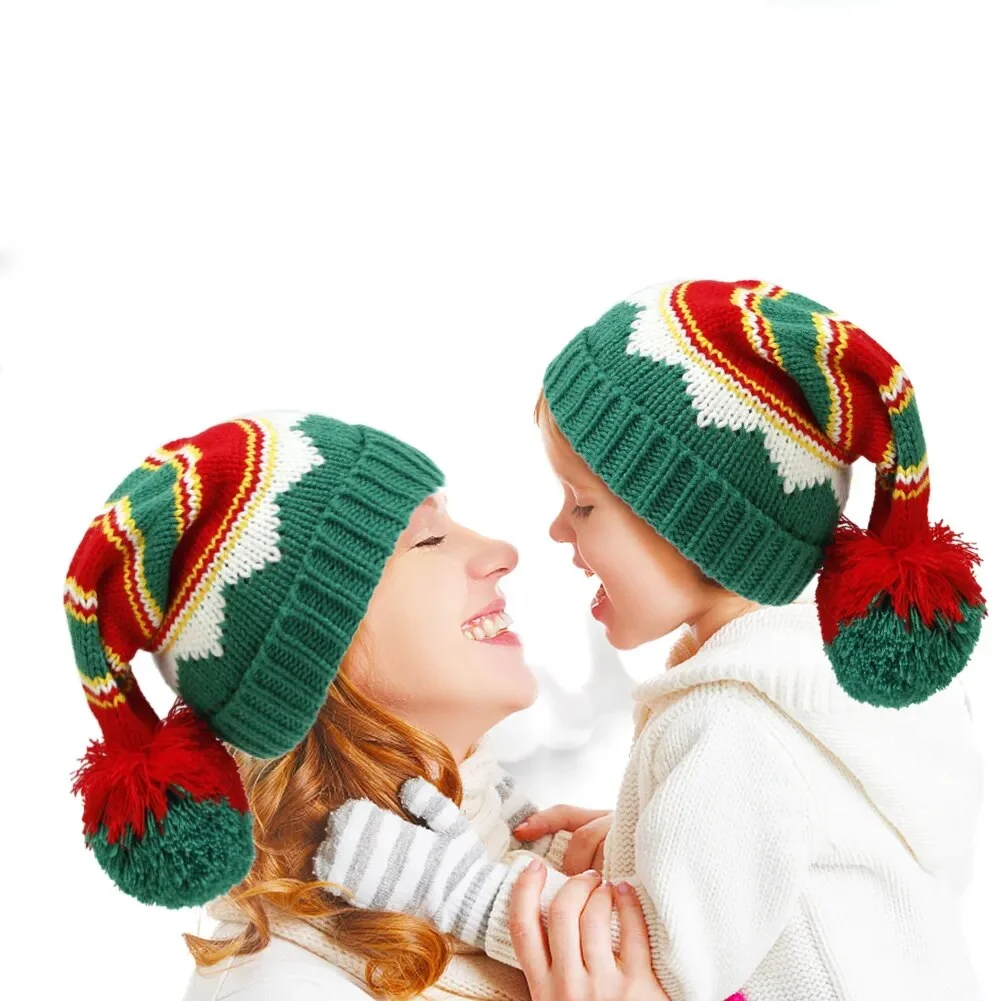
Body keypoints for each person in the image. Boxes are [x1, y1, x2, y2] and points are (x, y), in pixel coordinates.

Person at [316, 279, 986, 1001]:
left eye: (583, 505)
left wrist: (461, 891)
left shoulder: (738, 726)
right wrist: (654, 845)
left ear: (701, 528)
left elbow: (656, 967)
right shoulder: (798, 693)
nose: (556, 530)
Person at [63, 410, 669, 1001]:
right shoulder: (286, 989)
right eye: (428, 539)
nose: (501, 551)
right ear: (312, 655)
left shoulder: (561, 869)